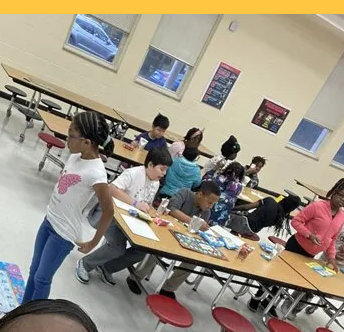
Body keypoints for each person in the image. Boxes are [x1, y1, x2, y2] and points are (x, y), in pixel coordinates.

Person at [22, 111, 114, 303]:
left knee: (42, 278)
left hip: (63, 233)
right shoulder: (75, 157)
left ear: (87, 142)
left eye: (71, 135)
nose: (67, 139)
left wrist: (93, 242)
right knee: (34, 270)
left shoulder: (96, 173)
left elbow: (108, 210)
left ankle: (34, 317)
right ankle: (22, 312)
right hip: (48, 221)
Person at [249, 178, 344, 313]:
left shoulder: (342, 217)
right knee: (275, 274)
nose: (342, 199)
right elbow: (296, 221)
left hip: (310, 254)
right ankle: (257, 297)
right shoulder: (317, 206)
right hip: (296, 246)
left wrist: (331, 257)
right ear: (334, 192)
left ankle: (269, 303)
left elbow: (333, 239)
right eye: (341, 195)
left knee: (288, 280)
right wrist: (309, 235)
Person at [75, 147, 172, 285]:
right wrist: (135, 203)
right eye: (162, 169)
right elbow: (112, 189)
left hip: (130, 221)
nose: (164, 173)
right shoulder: (133, 173)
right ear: (150, 164)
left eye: (166, 170)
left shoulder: (155, 182)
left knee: (142, 251)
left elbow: (146, 203)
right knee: (117, 247)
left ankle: (106, 267)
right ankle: (85, 263)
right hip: (110, 215)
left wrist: (155, 211)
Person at [122, 182, 221, 298]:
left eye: (213, 204)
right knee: (158, 250)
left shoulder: (206, 212)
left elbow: (197, 232)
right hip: (165, 233)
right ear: (200, 194)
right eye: (209, 202)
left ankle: (169, 288)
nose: (210, 206)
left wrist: (201, 230)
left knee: (194, 260)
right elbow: (171, 209)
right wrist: (193, 222)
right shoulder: (185, 193)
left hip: (184, 239)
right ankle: (135, 277)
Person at [228, 194, 302, 240]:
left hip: (243, 222)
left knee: (224, 214)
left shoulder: (270, 200)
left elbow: (246, 207)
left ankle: (235, 231)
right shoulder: (280, 218)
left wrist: (230, 208)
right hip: (251, 231)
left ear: (284, 199)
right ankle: (237, 233)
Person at [206, 162, 245, 227]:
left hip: (208, 211)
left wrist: (213, 170)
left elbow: (205, 181)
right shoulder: (238, 186)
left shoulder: (218, 178)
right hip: (222, 217)